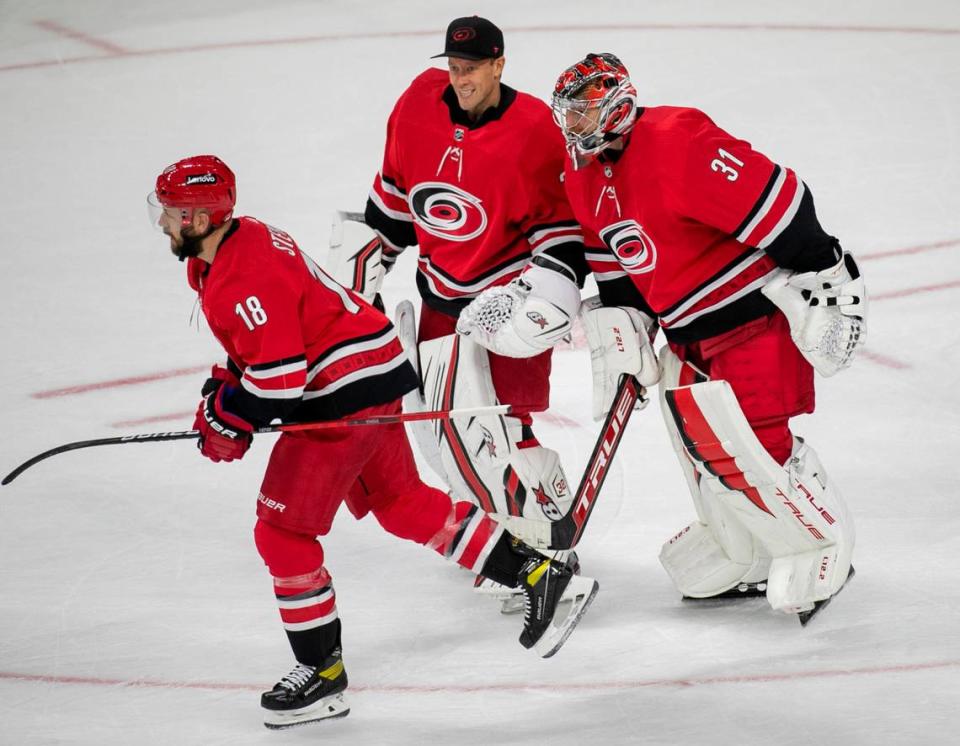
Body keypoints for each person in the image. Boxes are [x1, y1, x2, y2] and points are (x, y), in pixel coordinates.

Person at [147, 155, 599, 729]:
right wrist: (225, 396)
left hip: (345, 396)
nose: (164, 224)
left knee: (281, 532)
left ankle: (322, 676)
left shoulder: (242, 275)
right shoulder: (235, 245)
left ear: (205, 218)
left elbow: (281, 381)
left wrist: (229, 417)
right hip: (371, 372)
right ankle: (539, 574)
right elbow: (266, 351)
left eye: (174, 214)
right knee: (402, 504)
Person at [467, 53, 867, 622]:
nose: (571, 126)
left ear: (616, 103)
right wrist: (627, 324)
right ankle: (743, 551)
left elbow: (780, 203)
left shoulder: (679, 139)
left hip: (749, 321)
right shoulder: (583, 173)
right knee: (703, 450)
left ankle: (820, 544)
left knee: (757, 445)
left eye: (581, 113)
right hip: (685, 335)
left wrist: (827, 271)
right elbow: (614, 262)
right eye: (568, 115)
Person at [361, 16, 590, 609]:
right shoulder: (416, 104)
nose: (459, 80)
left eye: (471, 69)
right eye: (453, 68)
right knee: (453, 437)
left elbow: (562, 233)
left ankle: (554, 541)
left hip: (508, 300)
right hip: (440, 298)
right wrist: (363, 279)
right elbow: (392, 205)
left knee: (507, 428)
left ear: (499, 65)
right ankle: (507, 543)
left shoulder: (536, 127)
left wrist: (545, 298)